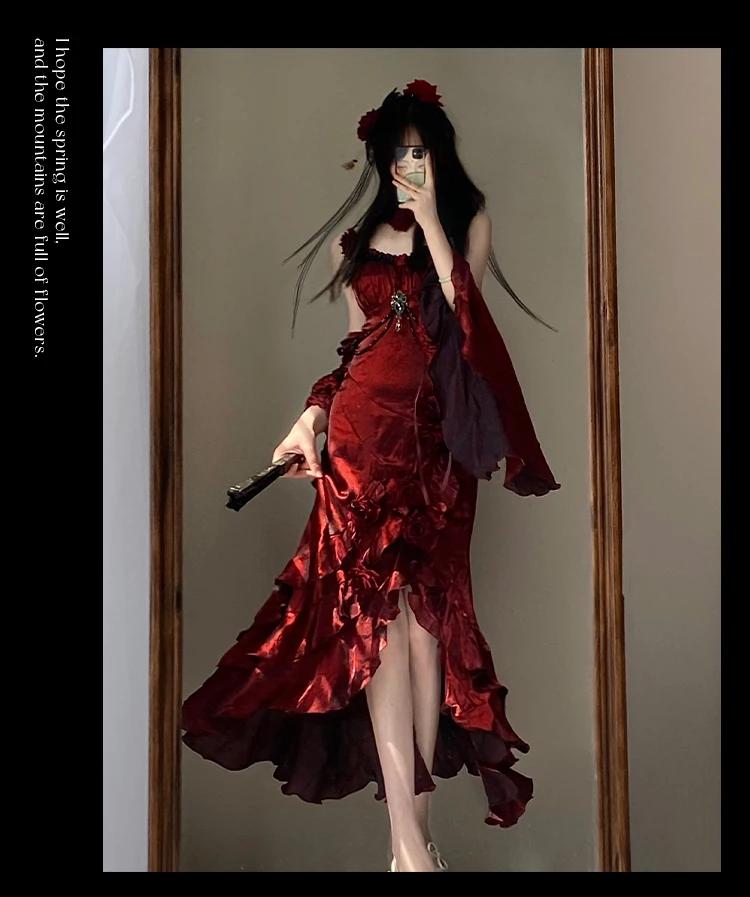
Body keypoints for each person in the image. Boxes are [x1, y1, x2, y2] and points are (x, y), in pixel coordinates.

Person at [182, 80, 560, 873]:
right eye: (396, 153)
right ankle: (409, 849)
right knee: (381, 634)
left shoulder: (469, 223)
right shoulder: (350, 245)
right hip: (362, 445)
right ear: (380, 159)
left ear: (439, 156)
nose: (407, 164)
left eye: (419, 151)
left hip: (438, 448)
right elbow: (353, 354)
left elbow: (466, 318)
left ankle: (413, 841)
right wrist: (312, 419)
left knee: (427, 635)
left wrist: (431, 223)